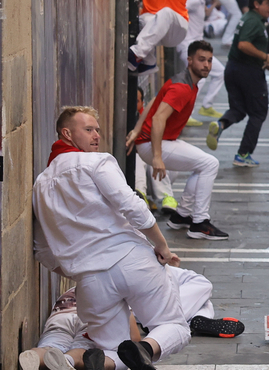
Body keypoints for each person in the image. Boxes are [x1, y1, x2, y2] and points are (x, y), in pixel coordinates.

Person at [34, 106, 191, 370]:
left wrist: (77, 270)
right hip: (131, 259)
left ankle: (101, 363)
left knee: (110, 349)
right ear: (67, 133)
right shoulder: (96, 162)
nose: (96, 135)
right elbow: (133, 206)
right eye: (88, 129)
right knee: (175, 326)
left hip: (90, 280)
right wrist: (161, 245)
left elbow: (42, 250)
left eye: (97, 129)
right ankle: (143, 349)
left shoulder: (40, 185)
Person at [19, 265, 244, 370]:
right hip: (92, 316)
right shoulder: (140, 280)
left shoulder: (109, 269)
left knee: (53, 341)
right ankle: (69, 361)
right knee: (98, 350)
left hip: (65, 308)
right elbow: (132, 339)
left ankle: (34, 357)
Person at [127, 41, 229, 240]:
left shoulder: (185, 81)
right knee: (209, 163)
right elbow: (158, 118)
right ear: (189, 60)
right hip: (152, 144)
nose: (206, 65)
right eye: (201, 60)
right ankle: (199, 222)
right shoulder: (182, 87)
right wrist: (157, 157)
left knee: (203, 165)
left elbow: (154, 102)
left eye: (209, 60)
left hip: (155, 141)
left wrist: (136, 129)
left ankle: (181, 216)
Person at [206, 0, 269, 168]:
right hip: (248, 74)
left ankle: (221, 124)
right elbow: (243, 45)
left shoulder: (249, 18)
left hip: (234, 69)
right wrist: (265, 57)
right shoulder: (253, 21)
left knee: (238, 109)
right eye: (268, 4)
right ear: (257, 4)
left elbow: (246, 49)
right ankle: (243, 154)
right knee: (258, 113)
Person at [178, 0, 226, 120]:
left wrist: (214, 5)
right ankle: (185, 113)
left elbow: (205, 12)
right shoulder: (194, 1)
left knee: (220, 72)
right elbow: (179, 8)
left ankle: (206, 106)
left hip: (196, 46)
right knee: (199, 78)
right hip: (188, 45)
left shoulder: (200, 1)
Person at [129, 0, 190, 74]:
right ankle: (149, 63)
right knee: (142, 21)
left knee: (166, 12)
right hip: (157, 25)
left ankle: (136, 54)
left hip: (177, 27)